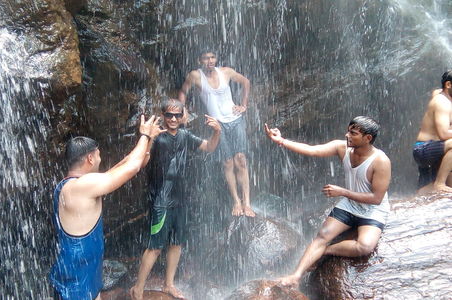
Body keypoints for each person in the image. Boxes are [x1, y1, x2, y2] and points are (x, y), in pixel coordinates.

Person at [264, 116, 391, 288]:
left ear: (368, 138)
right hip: (349, 206)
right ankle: (295, 276)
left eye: (353, 133)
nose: (347, 135)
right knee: (322, 236)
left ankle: (326, 250)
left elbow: (376, 198)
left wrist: (342, 192)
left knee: (364, 246)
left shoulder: (380, 161)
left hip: (373, 211)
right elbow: (311, 150)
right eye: (348, 131)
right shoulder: (342, 147)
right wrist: (281, 141)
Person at [49, 115, 165, 300]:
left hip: (84, 278)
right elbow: (133, 167)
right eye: (98, 155)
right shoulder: (80, 187)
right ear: (90, 158)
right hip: (75, 286)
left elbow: (128, 164)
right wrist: (143, 135)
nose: (100, 159)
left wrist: (149, 140)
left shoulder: (79, 184)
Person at [130, 99, 221, 300]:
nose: (173, 119)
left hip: (180, 198)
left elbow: (209, 147)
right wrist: (148, 138)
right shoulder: (157, 137)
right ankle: (138, 289)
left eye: (177, 115)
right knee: (154, 247)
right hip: (160, 200)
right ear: (163, 115)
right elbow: (142, 163)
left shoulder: (185, 136)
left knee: (176, 243)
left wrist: (217, 132)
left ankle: (168, 284)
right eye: (169, 115)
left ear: (182, 117)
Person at [178, 50, 255, 217]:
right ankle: (236, 201)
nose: (210, 61)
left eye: (212, 57)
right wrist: (182, 110)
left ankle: (247, 202)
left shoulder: (226, 71)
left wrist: (243, 105)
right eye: (206, 58)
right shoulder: (195, 76)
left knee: (240, 159)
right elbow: (183, 91)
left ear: (216, 59)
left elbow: (246, 82)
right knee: (227, 162)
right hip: (217, 125)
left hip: (235, 120)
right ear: (200, 60)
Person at [413, 70, 452, 193]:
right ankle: (439, 184)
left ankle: (424, 192)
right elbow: (444, 134)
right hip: (424, 149)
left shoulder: (442, 96)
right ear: (448, 85)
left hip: (437, 150)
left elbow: (435, 91)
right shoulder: (442, 103)